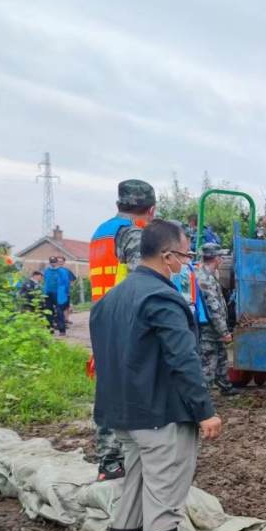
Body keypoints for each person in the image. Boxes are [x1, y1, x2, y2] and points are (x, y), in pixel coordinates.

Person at [90, 219, 223, 531]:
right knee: (165, 491)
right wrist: (204, 411)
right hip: (160, 413)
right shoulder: (162, 298)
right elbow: (183, 360)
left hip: (123, 414)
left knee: (133, 483)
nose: (186, 263)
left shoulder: (111, 299)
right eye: (185, 255)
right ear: (167, 257)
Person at [89, 178, 158, 481]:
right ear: (151, 210)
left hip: (101, 315)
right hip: (123, 320)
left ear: (119, 204)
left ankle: (110, 460)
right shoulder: (131, 235)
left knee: (109, 387)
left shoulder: (101, 232)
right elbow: (140, 279)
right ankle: (116, 460)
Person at [195, 243, 239, 397]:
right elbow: (214, 308)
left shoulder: (208, 274)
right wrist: (224, 331)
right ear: (217, 259)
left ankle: (225, 386)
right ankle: (203, 397)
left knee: (221, 358)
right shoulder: (206, 278)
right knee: (208, 364)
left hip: (214, 329)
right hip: (209, 330)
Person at [42, 256, 75, 336]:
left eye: (54, 262)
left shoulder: (62, 271)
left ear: (57, 262)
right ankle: (50, 329)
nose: (53, 264)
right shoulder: (47, 271)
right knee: (48, 312)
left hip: (59, 294)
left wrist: (66, 292)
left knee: (60, 312)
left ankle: (62, 330)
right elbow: (45, 280)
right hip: (48, 294)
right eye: (51, 262)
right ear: (50, 263)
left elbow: (66, 283)